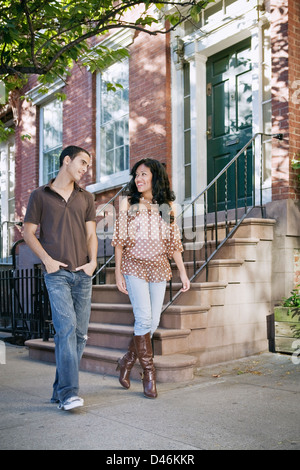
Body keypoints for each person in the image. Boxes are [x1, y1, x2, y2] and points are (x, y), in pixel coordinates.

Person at [23, 145, 98, 411]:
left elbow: (91, 235)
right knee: (65, 330)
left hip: (82, 274)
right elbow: (28, 232)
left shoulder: (86, 198)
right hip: (56, 275)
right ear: (67, 160)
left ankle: (59, 390)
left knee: (79, 335)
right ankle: (69, 393)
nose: (85, 168)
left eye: (88, 165)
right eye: (82, 162)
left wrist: (93, 263)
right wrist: (47, 261)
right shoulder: (40, 196)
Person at [112, 158, 190, 399]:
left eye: (144, 174)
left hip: (159, 268)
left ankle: (126, 360)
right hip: (133, 266)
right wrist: (117, 271)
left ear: (155, 177)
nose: (139, 179)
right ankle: (149, 374)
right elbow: (120, 238)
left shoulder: (167, 206)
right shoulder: (127, 203)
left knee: (152, 322)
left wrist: (183, 272)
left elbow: (173, 243)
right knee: (144, 317)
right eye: (136, 175)